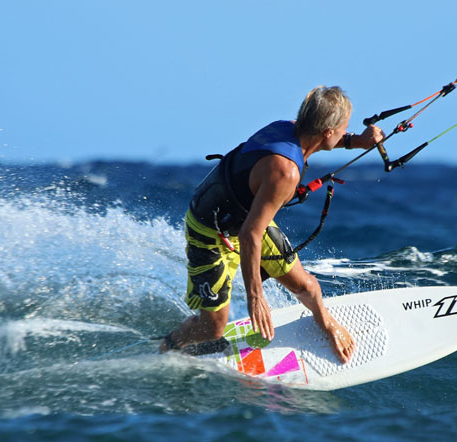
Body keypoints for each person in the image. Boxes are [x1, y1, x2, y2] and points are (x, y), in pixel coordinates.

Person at [161, 86, 384, 363]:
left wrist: (356, 141)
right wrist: (256, 296)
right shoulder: (285, 172)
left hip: (247, 217)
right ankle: (169, 346)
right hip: (210, 229)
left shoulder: (289, 127)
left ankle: (326, 323)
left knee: (308, 287)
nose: (344, 132)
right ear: (327, 130)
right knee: (212, 329)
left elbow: (252, 228)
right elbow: (250, 235)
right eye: (344, 128)